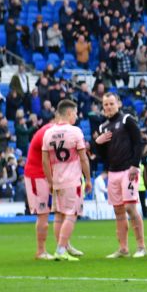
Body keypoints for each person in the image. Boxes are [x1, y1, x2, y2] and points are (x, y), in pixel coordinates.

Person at [94, 92, 147, 259]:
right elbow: (103, 155)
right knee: (118, 211)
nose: (109, 107)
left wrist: (135, 165)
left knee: (130, 207)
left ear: (118, 104)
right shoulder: (103, 127)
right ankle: (123, 248)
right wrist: (98, 144)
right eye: (106, 104)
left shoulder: (127, 120)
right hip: (113, 172)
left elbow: (138, 142)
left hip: (128, 170)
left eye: (111, 103)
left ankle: (141, 247)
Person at [42, 100, 90, 262]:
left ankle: (63, 247)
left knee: (58, 215)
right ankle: (61, 250)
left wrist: (50, 181)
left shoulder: (48, 133)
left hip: (57, 180)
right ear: (69, 113)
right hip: (72, 180)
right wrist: (88, 179)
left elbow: (45, 161)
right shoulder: (75, 131)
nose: (76, 116)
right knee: (71, 214)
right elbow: (83, 158)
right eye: (75, 113)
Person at [23, 118, 61, 259]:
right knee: (43, 214)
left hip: (45, 176)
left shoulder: (52, 132)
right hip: (37, 176)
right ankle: (41, 251)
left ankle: (63, 246)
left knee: (59, 213)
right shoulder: (47, 133)